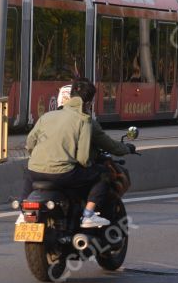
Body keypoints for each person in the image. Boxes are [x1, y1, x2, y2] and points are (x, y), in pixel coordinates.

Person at [18, 78, 134, 228]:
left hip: (35, 171)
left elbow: (30, 143)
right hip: (63, 174)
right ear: (89, 103)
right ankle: (88, 215)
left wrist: (40, 158)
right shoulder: (84, 120)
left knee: (29, 171)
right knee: (103, 174)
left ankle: (22, 214)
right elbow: (84, 158)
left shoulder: (46, 117)